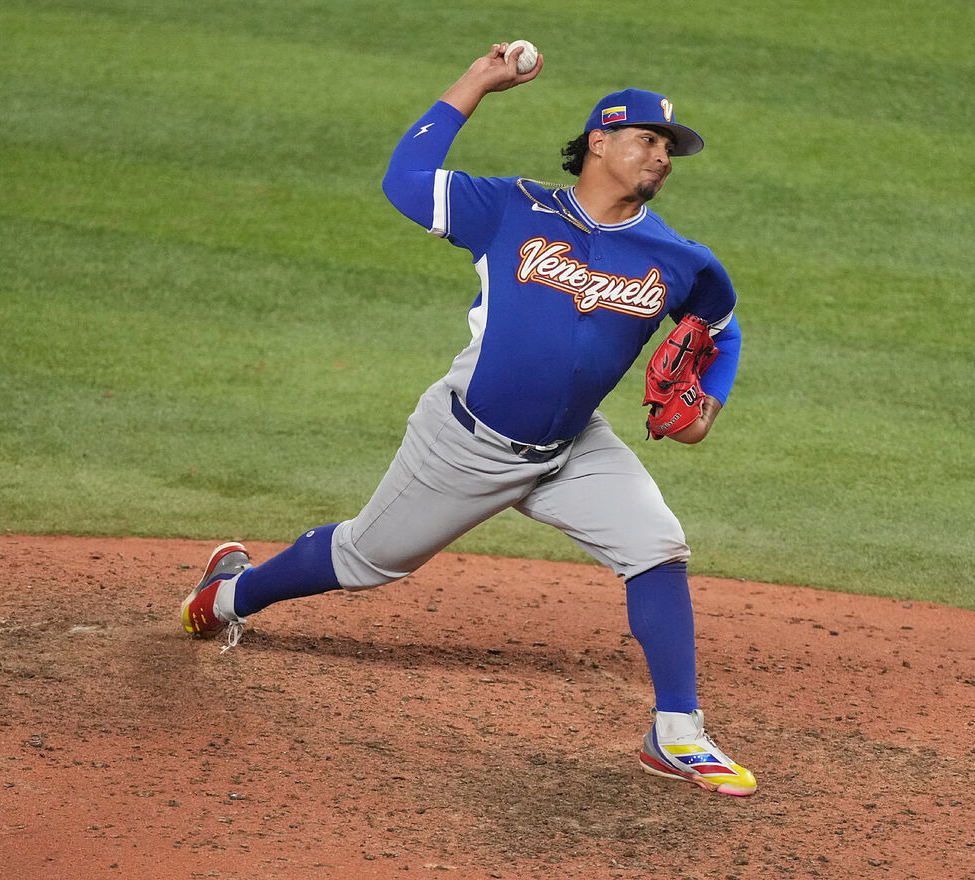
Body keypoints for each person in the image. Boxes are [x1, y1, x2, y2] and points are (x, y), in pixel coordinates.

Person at [180, 43, 754, 797]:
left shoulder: (677, 256)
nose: (663, 157)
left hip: (575, 448)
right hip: (465, 440)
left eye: (670, 148)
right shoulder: (511, 206)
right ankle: (224, 595)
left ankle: (676, 732)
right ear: (600, 142)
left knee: (656, 545)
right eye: (649, 139)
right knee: (361, 560)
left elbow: (723, 325)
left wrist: (708, 404)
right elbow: (405, 181)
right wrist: (479, 82)